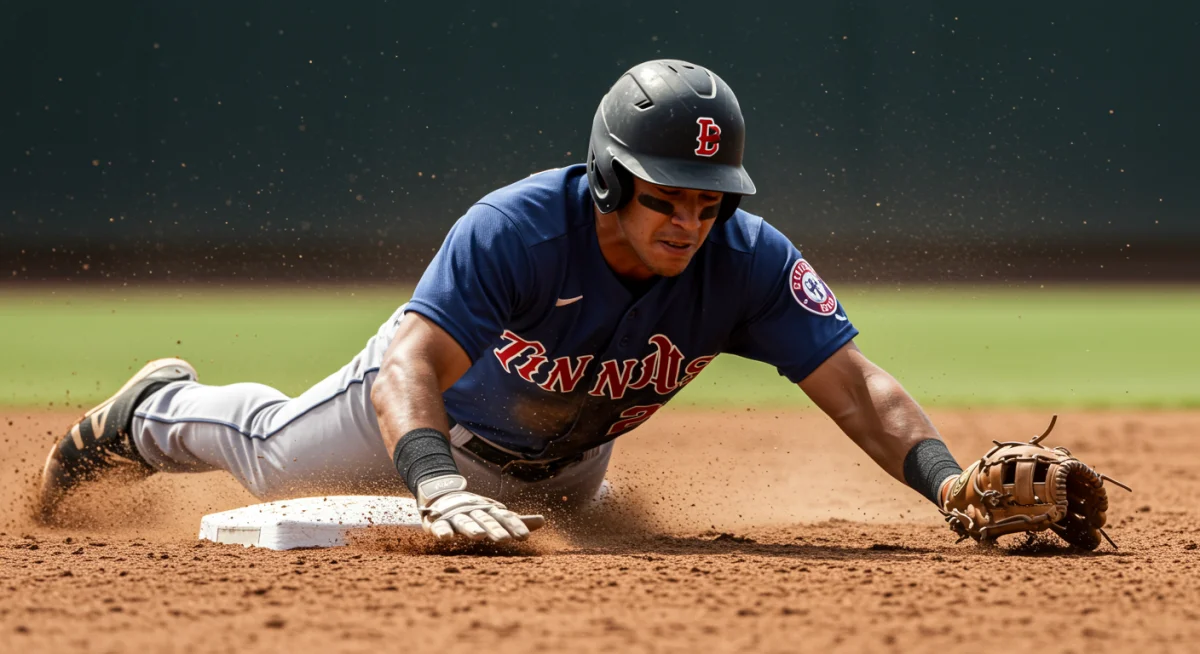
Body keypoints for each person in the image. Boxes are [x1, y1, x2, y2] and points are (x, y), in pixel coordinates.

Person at [39, 59, 964, 543]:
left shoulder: (745, 261)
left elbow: (858, 388)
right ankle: (154, 410)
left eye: (710, 200)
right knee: (274, 459)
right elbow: (409, 365)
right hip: (423, 422)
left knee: (589, 522)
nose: (691, 221)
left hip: (565, 464)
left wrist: (949, 483)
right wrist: (435, 482)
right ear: (610, 179)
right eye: (666, 198)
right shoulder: (519, 231)